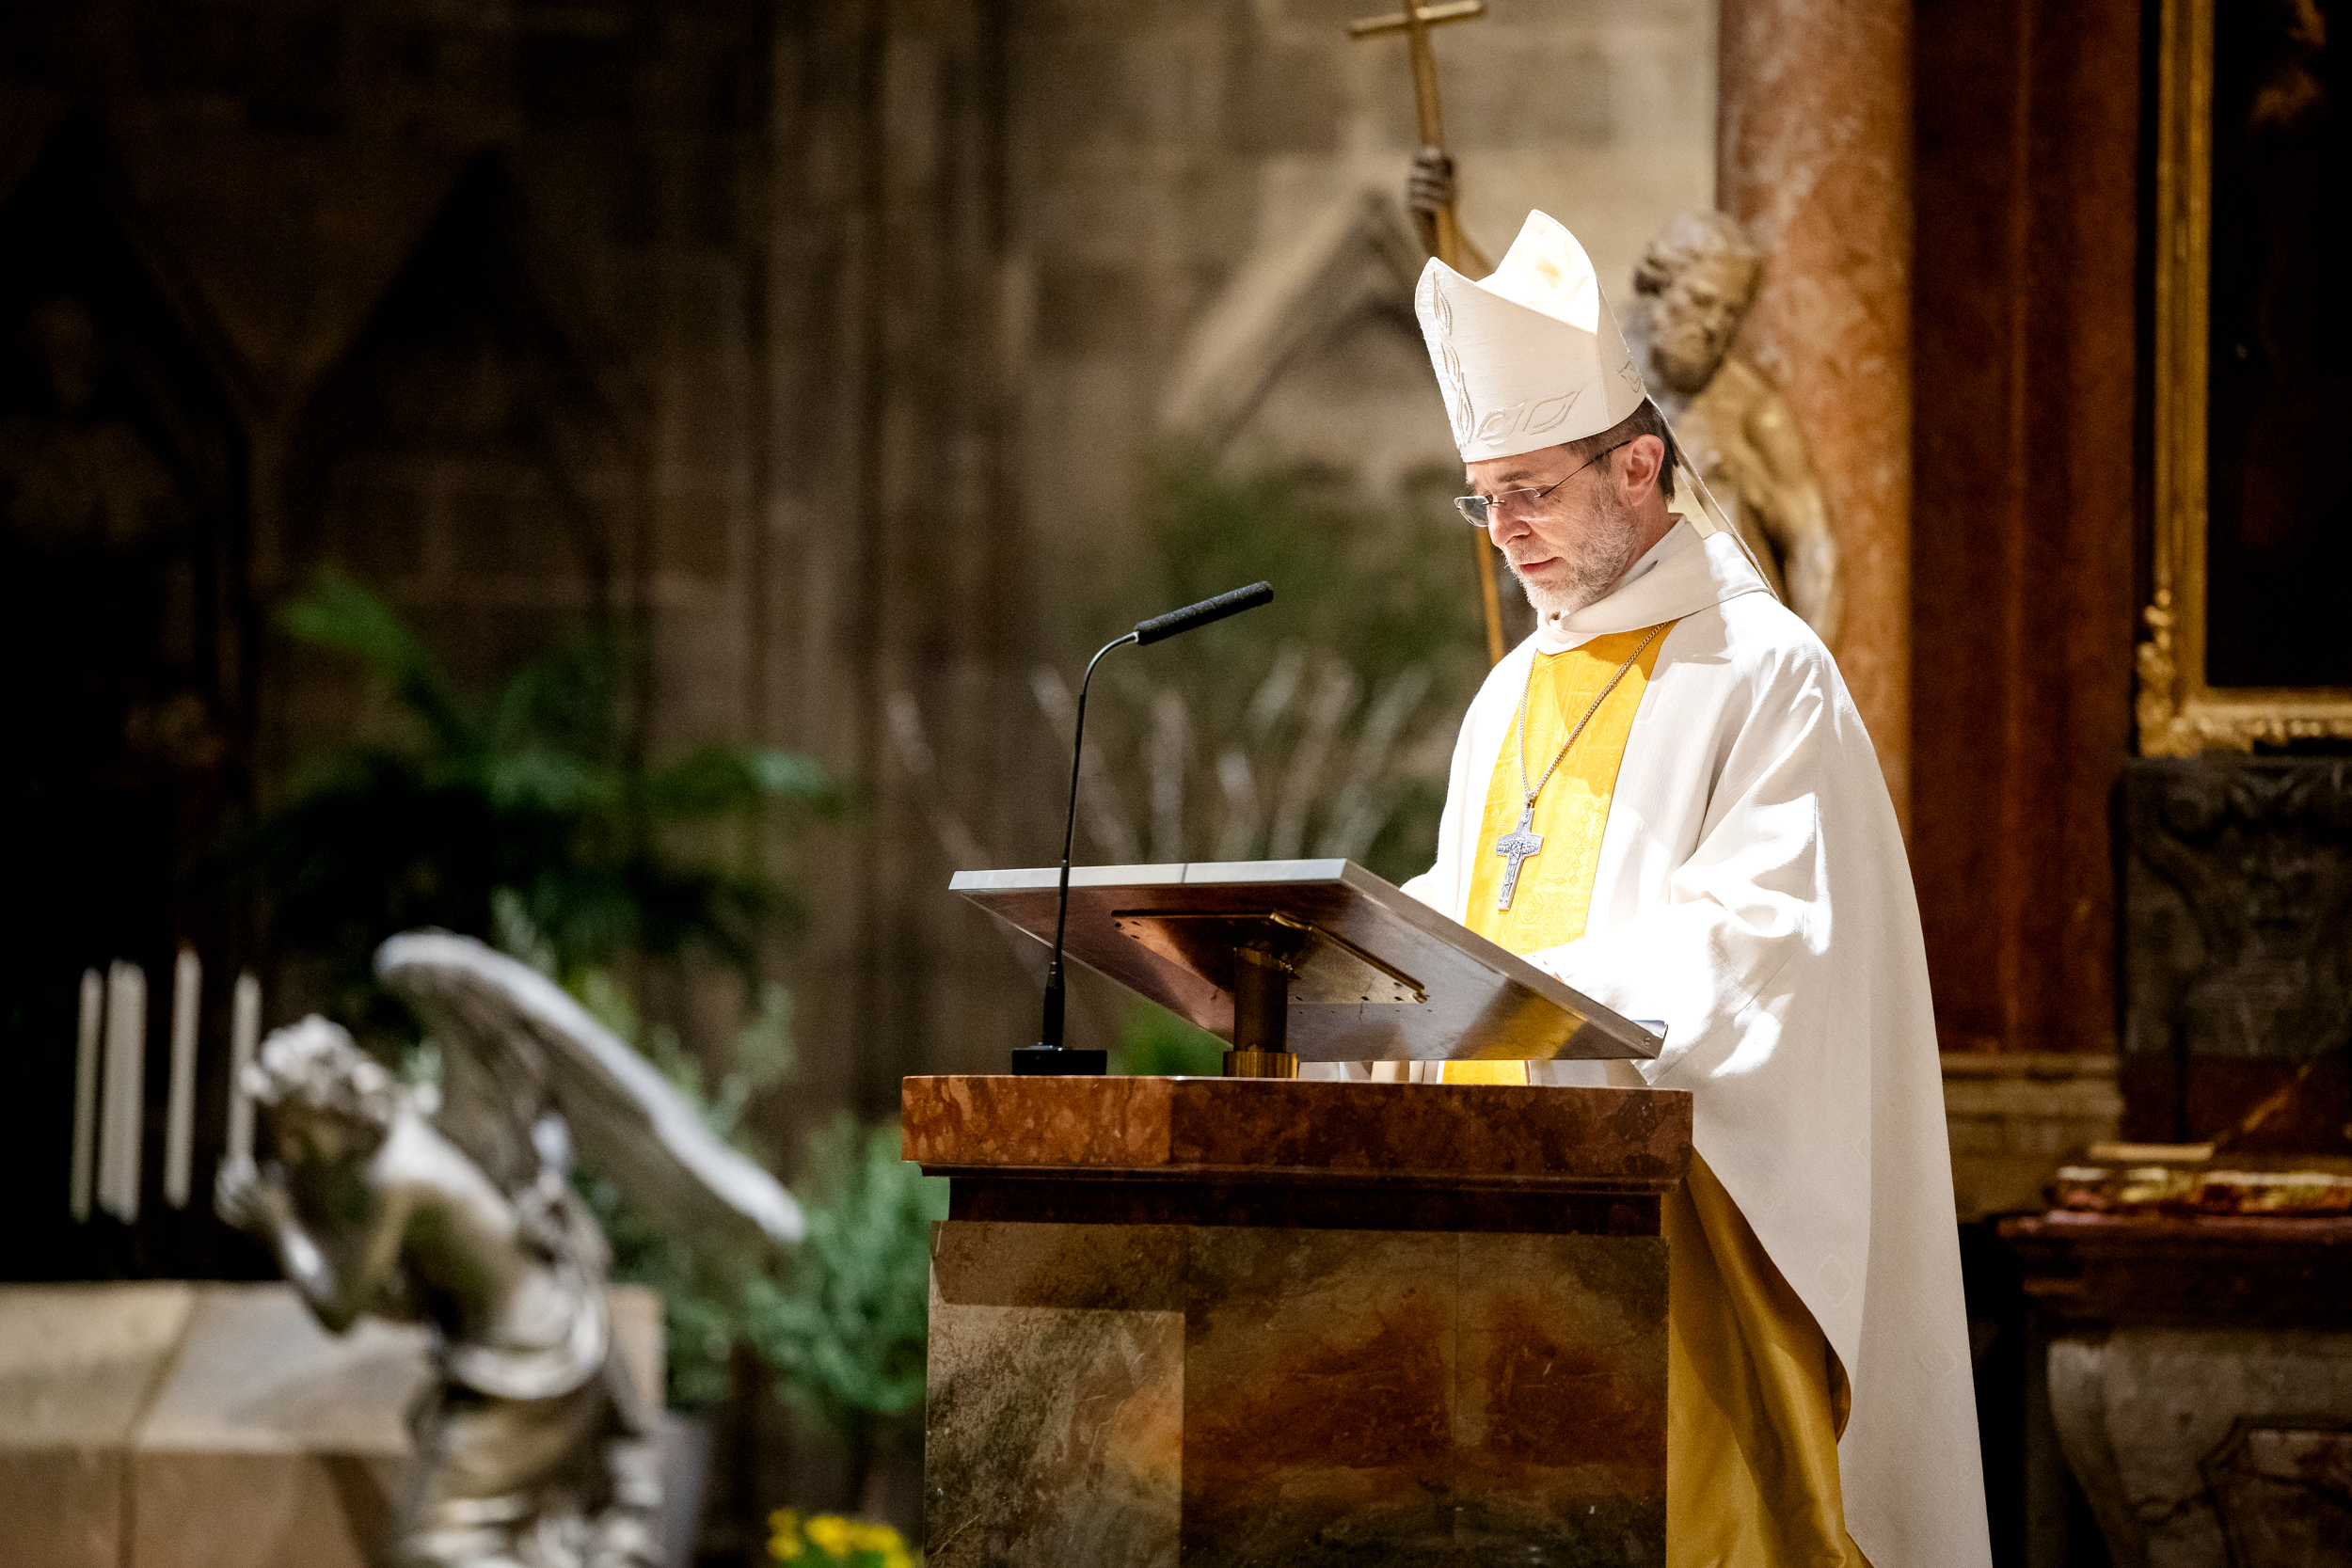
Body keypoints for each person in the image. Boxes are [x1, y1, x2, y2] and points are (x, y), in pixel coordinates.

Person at [1403, 211, 1989, 1567]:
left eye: (1530, 491)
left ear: (1639, 465)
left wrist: (1520, 1002)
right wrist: (1338, 980)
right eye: (1482, 499)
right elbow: (1464, 908)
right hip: (1482, 1244)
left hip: (1685, 1241)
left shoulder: (1765, 669)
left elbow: (1766, 948)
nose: (1504, 532)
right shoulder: (1509, 692)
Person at [217, 1017, 660, 1568]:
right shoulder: (404, 1130)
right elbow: (401, 1296)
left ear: (334, 1107)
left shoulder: (398, 1176)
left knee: (433, 1548)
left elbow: (339, 1308)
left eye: (300, 1130)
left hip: (529, 1363)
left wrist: (280, 1222)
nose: (292, 1149)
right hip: (518, 1342)